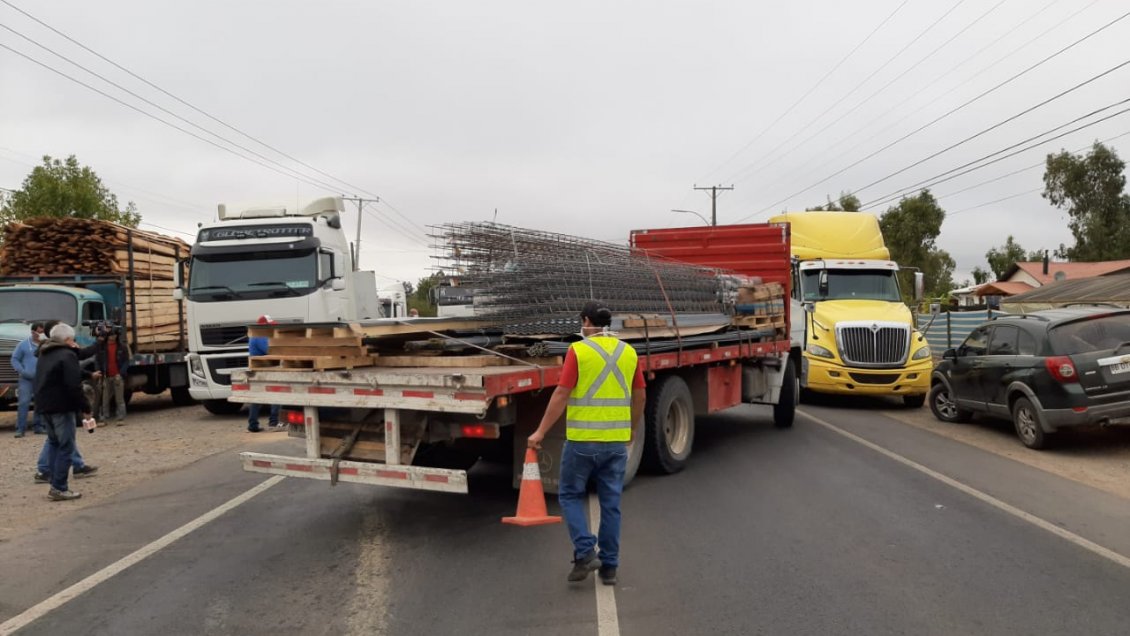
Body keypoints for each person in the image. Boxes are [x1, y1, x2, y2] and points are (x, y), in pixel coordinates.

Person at [527, 301, 646, 586]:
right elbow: (640, 396)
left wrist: (540, 431)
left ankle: (584, 551)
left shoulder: (578, 351)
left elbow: (561, 394)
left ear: (586, 322)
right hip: (616, 443)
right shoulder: (629, 352)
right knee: (611, 504)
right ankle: (610, 568)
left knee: (569, 495)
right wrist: (630, 429)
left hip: (582, 442)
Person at [34, 323, 94, 501]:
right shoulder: (67, 355)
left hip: (44, 405)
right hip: (62, 406)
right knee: (66, 445)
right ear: (68, 340)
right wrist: (86, 407)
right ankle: (59, 487)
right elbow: (73, 385)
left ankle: (53, 479)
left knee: (53, 443)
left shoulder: (44, 353)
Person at [11, 322, 46, 437]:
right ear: (33, 332)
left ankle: (39, 426)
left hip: (41, 379)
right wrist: (22, 370)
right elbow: (15, 359)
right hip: (26, 379)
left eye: (43, 332)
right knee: (24, 403)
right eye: (39, 332)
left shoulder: (46, 345)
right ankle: (20, 429)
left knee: (40, 403)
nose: (41, 334)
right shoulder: (23, 345)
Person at [247, 314, 281, 432]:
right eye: (269, 326)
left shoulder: (256, 335)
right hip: (264, 369)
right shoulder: (260, 335)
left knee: (257, 397)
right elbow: (269, 350)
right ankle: (274, 422)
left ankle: (253, 424)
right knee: (276, 393)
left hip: (259, 369)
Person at [95, 323, 130, 425]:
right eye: (111, 334)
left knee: (119, 399)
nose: (112, 336)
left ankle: (120, 418)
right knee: (105, 399)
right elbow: (97, 360)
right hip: (106, 376)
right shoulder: (102, 348)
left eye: (114, 334)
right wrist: (100, 373)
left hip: (118, 376)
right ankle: (104, 418)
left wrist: (121, 373)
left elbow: (126, 361)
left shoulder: (122, 347)